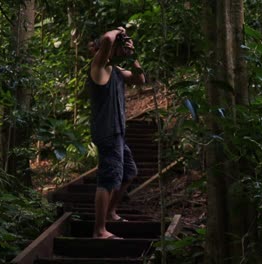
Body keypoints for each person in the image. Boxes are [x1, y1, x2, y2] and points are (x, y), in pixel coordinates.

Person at [87, 27, 145, 239]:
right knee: (108, 177)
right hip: (107, 132)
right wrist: (117, 31)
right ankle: (99, 230)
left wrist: (133, 55)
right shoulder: (98, 68)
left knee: (129, 172)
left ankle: (111, 212)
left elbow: (140, 80)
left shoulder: (117, 71)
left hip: (118, 132)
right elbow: (108, 41)